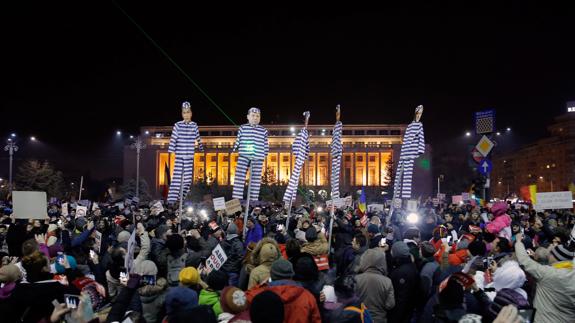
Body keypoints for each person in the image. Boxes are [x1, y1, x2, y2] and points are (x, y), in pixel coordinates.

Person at [514, 233, 575, 322]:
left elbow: (524, 261)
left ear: (555, 257)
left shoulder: (548, 273)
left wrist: (519, 241)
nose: (548, 255)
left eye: (550, 254)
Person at [246, 259, 321, 323]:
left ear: (271, 275)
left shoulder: (260, 295)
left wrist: (261, 285)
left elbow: (242, 299)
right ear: (292, 275)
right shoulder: (307, 297)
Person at [355, 248, 395, 323]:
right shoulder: (387, 281)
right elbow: (390, 304)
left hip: (360, 318)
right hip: (379, 319)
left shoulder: (356, 279)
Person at [389, 241, 419, 323]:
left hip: (401, 315)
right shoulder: (409, 265)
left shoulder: (402, 272)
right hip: (407, 311)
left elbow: (401, 298)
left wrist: (394, 319)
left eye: (392, 250)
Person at [220, 222, 244, 287]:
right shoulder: (238, 244)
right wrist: (234, 266)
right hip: (233, 271)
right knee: (231, 290)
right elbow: (240, 258)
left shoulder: (223, 242)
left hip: (224, 268)